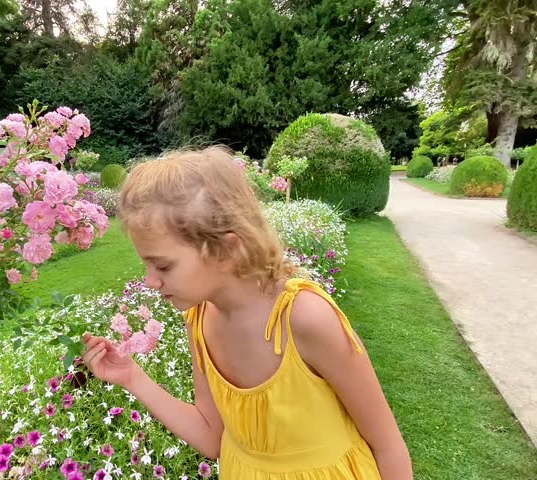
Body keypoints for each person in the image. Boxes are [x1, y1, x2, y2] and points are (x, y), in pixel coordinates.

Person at [82, 147, 411, 479]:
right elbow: (213, 438)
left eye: (163, 265)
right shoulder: (200, 321)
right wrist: (132, 378)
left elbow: (387, 445)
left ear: (226, 249)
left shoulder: (305, 318)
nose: (151, 282)